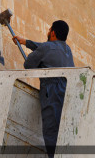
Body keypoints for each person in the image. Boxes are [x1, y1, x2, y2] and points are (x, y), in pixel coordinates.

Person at [12, 20, 74, 158]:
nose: (47, 32)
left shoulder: (46, 48)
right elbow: (47, 47)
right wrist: (26, 42)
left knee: (51, 132)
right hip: (66, 92)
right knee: (62, 131)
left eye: (49, 29)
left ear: (52, 32)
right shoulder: (67, 49)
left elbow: (28, 64)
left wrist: (38, 61)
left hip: (51, 92)